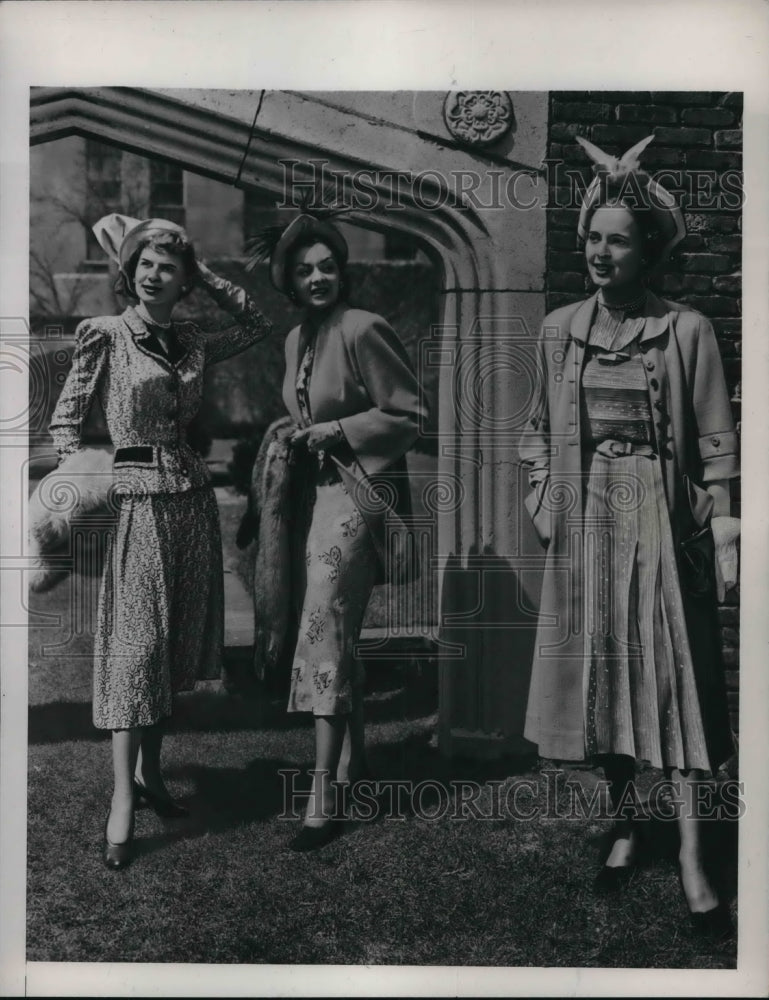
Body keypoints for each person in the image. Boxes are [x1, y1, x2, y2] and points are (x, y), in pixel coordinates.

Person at [519, 136, 740, 938]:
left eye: (617, 238)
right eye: (592, 238)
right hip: (586, 521)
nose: (600, 252)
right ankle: (622, 824)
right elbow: (536, 432)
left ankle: (690, 853)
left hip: (658, 513)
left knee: (672, 683)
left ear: (647, 248)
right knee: (603, 681)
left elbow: (717, 440)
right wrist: (545, 503)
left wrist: (720, 527)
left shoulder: (686, 331)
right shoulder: (557, 330)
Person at [49, 213, 272, 869]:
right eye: (144, 262)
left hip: (192, 503)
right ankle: (122, 797)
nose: (153, 273)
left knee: (171, 647)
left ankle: (151, 776)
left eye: (167, 266)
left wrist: (205, 271)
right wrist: (94, 476)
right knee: (136, 648)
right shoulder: (106, 334)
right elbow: (66, 420)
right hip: (139, 505)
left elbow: (258, 323)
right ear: (130, 270)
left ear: (182, 280)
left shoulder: (194, 338)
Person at [248, 208, 426, 850]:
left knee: (323, 624)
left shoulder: (364, 327)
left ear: (340, 271)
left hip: (356, 497)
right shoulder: (296, 339)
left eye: (326, 266)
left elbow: (409, 414)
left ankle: (322, 795)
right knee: (326, 625)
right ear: (290, 283)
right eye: (304, 271)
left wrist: (339, 431)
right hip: (309, 499)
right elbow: (301, 410)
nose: (318, 277)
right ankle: (357, 764)